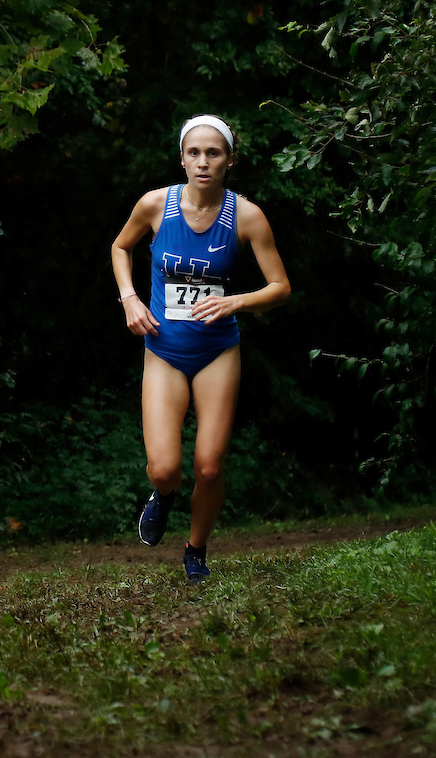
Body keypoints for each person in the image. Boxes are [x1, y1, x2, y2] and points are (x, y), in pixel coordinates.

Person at [109, 114, 291, 582]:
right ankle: (163, 495)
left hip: (217, 352)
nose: (203, 162)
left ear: (230, 160)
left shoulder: (247, 217)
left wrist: (238, 301)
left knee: (209, 468)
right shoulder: (155, 205)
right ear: (182, 159)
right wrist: (129, 298)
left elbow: (280, 287)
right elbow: (120, 248)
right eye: (194, 153)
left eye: (214, 153)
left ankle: (196, 550)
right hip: (164, 350)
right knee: (166, 469)